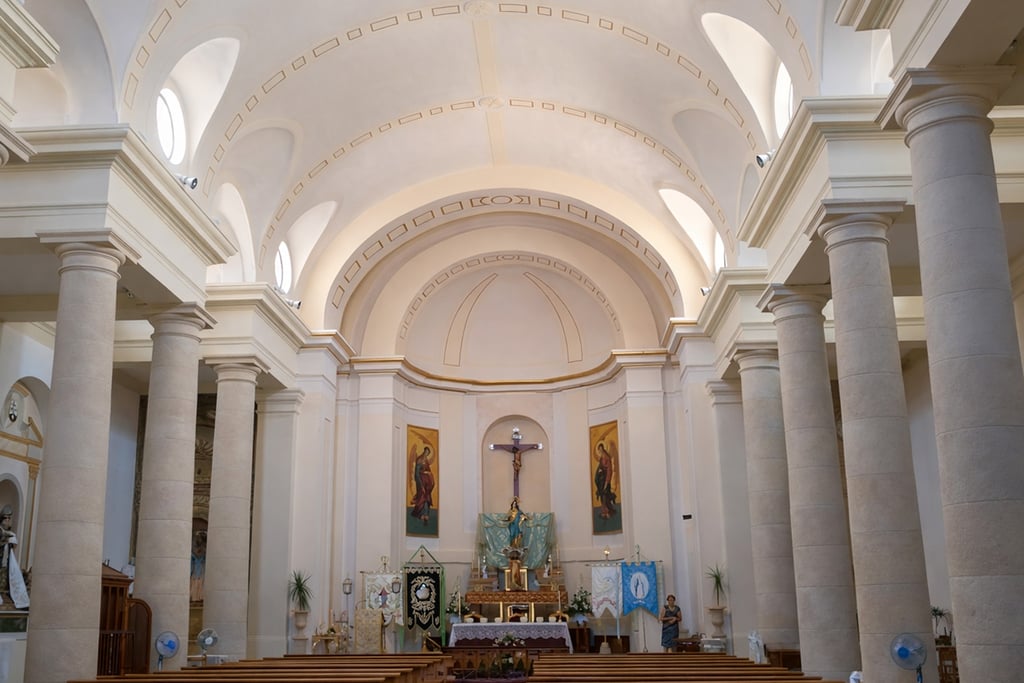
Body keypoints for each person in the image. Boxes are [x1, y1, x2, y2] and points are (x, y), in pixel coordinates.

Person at [0, 506, 29, 609]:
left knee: (7, 579)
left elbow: (14, 545)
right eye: (5, 518)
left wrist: (9, 540)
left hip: (6, 561)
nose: (7, 520)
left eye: (9, 518)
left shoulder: (10, 533)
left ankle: (6, 597)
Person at [409, 445, 435, 525]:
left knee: (427, 498)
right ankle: (419, 514)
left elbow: (427, 470)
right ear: (424, 451)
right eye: (426, 452)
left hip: (427, 484)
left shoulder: (426, 460)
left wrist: (428, 474)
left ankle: (426, 515)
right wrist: (421, 485)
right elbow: (417, 474)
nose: (427, 454)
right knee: (422, 498)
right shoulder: (419, 459)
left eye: (428, 453)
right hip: (421, 483)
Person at [594, 442, 618, 519]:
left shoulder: (607, 457)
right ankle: (604, 511)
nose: (600, 451)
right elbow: (600, 467)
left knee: (605, 496)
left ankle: (607, 512)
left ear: (603, 449)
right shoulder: (601, 458)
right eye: (599, 450)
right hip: (601, 480)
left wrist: (606, 482)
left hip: (605, 480)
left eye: (601, 449)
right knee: (602, 496)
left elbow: (609, 470)